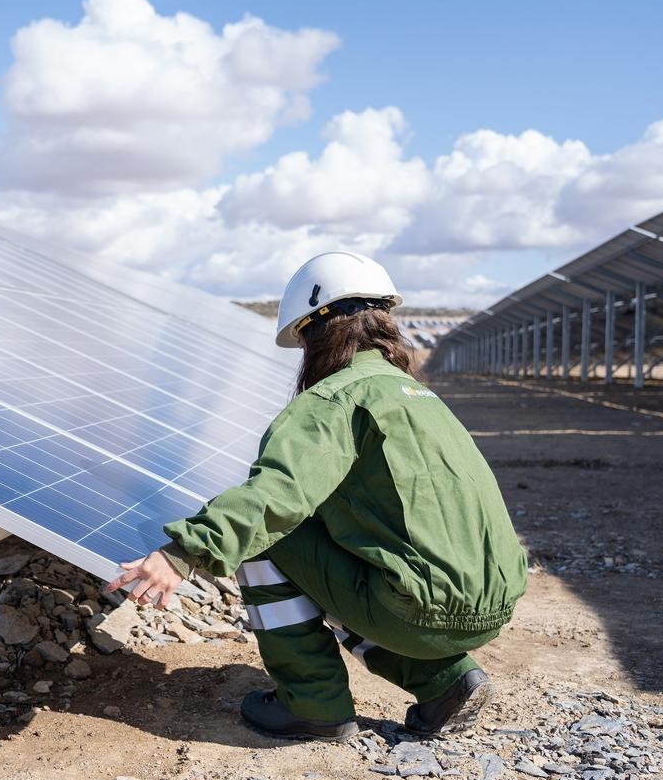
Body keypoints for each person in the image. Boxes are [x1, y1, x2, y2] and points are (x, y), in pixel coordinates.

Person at [106, 251, 528, 742]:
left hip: (418, 611)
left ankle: (313, 704)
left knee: (269, 538)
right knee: (340, 549)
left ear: (315, 330)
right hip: (492, 605)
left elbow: (274, 496)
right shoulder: (417, 396)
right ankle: (446, 682)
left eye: (303, 337)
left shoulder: (335, 400)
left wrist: (182, 553)